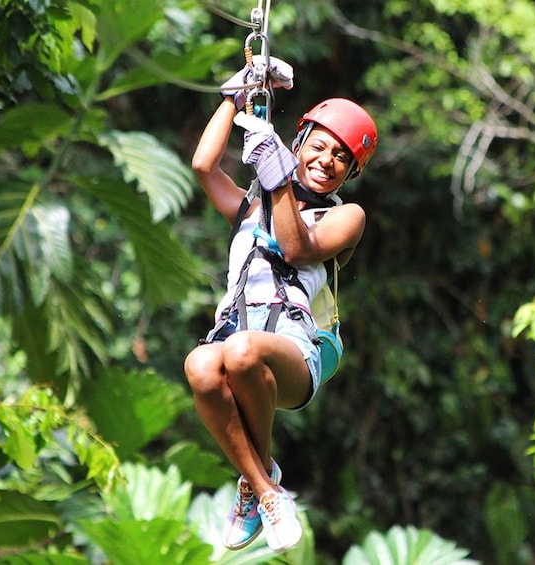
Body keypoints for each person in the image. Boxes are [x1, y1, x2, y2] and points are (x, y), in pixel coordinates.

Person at [184, 58, 377, 554]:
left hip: (294, 351)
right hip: (235, 334)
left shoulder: (346, 217)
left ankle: (260, 485)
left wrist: (277, 175)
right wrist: (237, 96)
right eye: (318, 145)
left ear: (349, 174)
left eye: (340, 157)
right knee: (202, 365)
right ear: (300, 141)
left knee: (243, 351)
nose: (325, 159)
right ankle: (264, 487)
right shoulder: (251, 206)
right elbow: (204, 166)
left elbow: (296, 249)